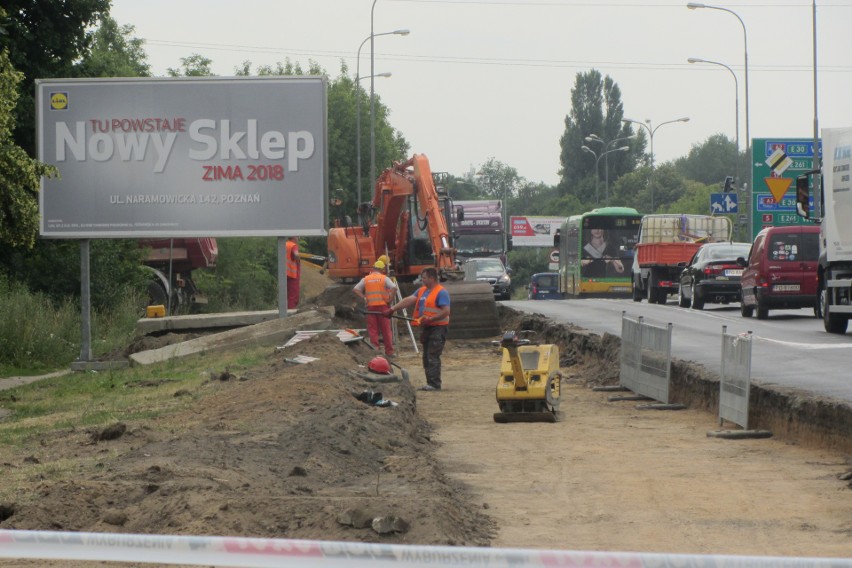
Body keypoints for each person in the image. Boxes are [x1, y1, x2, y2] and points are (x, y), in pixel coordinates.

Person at [387, 267, 450, 391]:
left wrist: (431, 319)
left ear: (432, 278)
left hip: (438, 328)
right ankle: (430, 382)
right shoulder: (422, 291)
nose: (422, 280)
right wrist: (392, 309)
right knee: (426, 356)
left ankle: (434, 384)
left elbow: (446, 311)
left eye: (424, 278)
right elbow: (409, 300)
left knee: (432, 355)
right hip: (427, 327)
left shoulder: (441, 292)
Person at [353, 260, 398, 357]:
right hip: (383, 307)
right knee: (386, 330)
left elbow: (356, 289)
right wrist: (390, 299)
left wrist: (364, 297)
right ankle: (389, 352)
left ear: (373, 268)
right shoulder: (384, 278)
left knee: (373, 330)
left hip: (371, 307)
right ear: (382, 269)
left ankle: (375, 351)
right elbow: (394, 288)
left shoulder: (366, 279)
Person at [284, 236, 301, 309]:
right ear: (294, 237)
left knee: (285, 294)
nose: (298, 238)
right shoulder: (293, 246)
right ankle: (291, 313)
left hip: (284, 273)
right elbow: (296, 255)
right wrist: (298, 262)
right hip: (292, 274)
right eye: (298, 236)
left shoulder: (284, 244)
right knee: (293, 296)